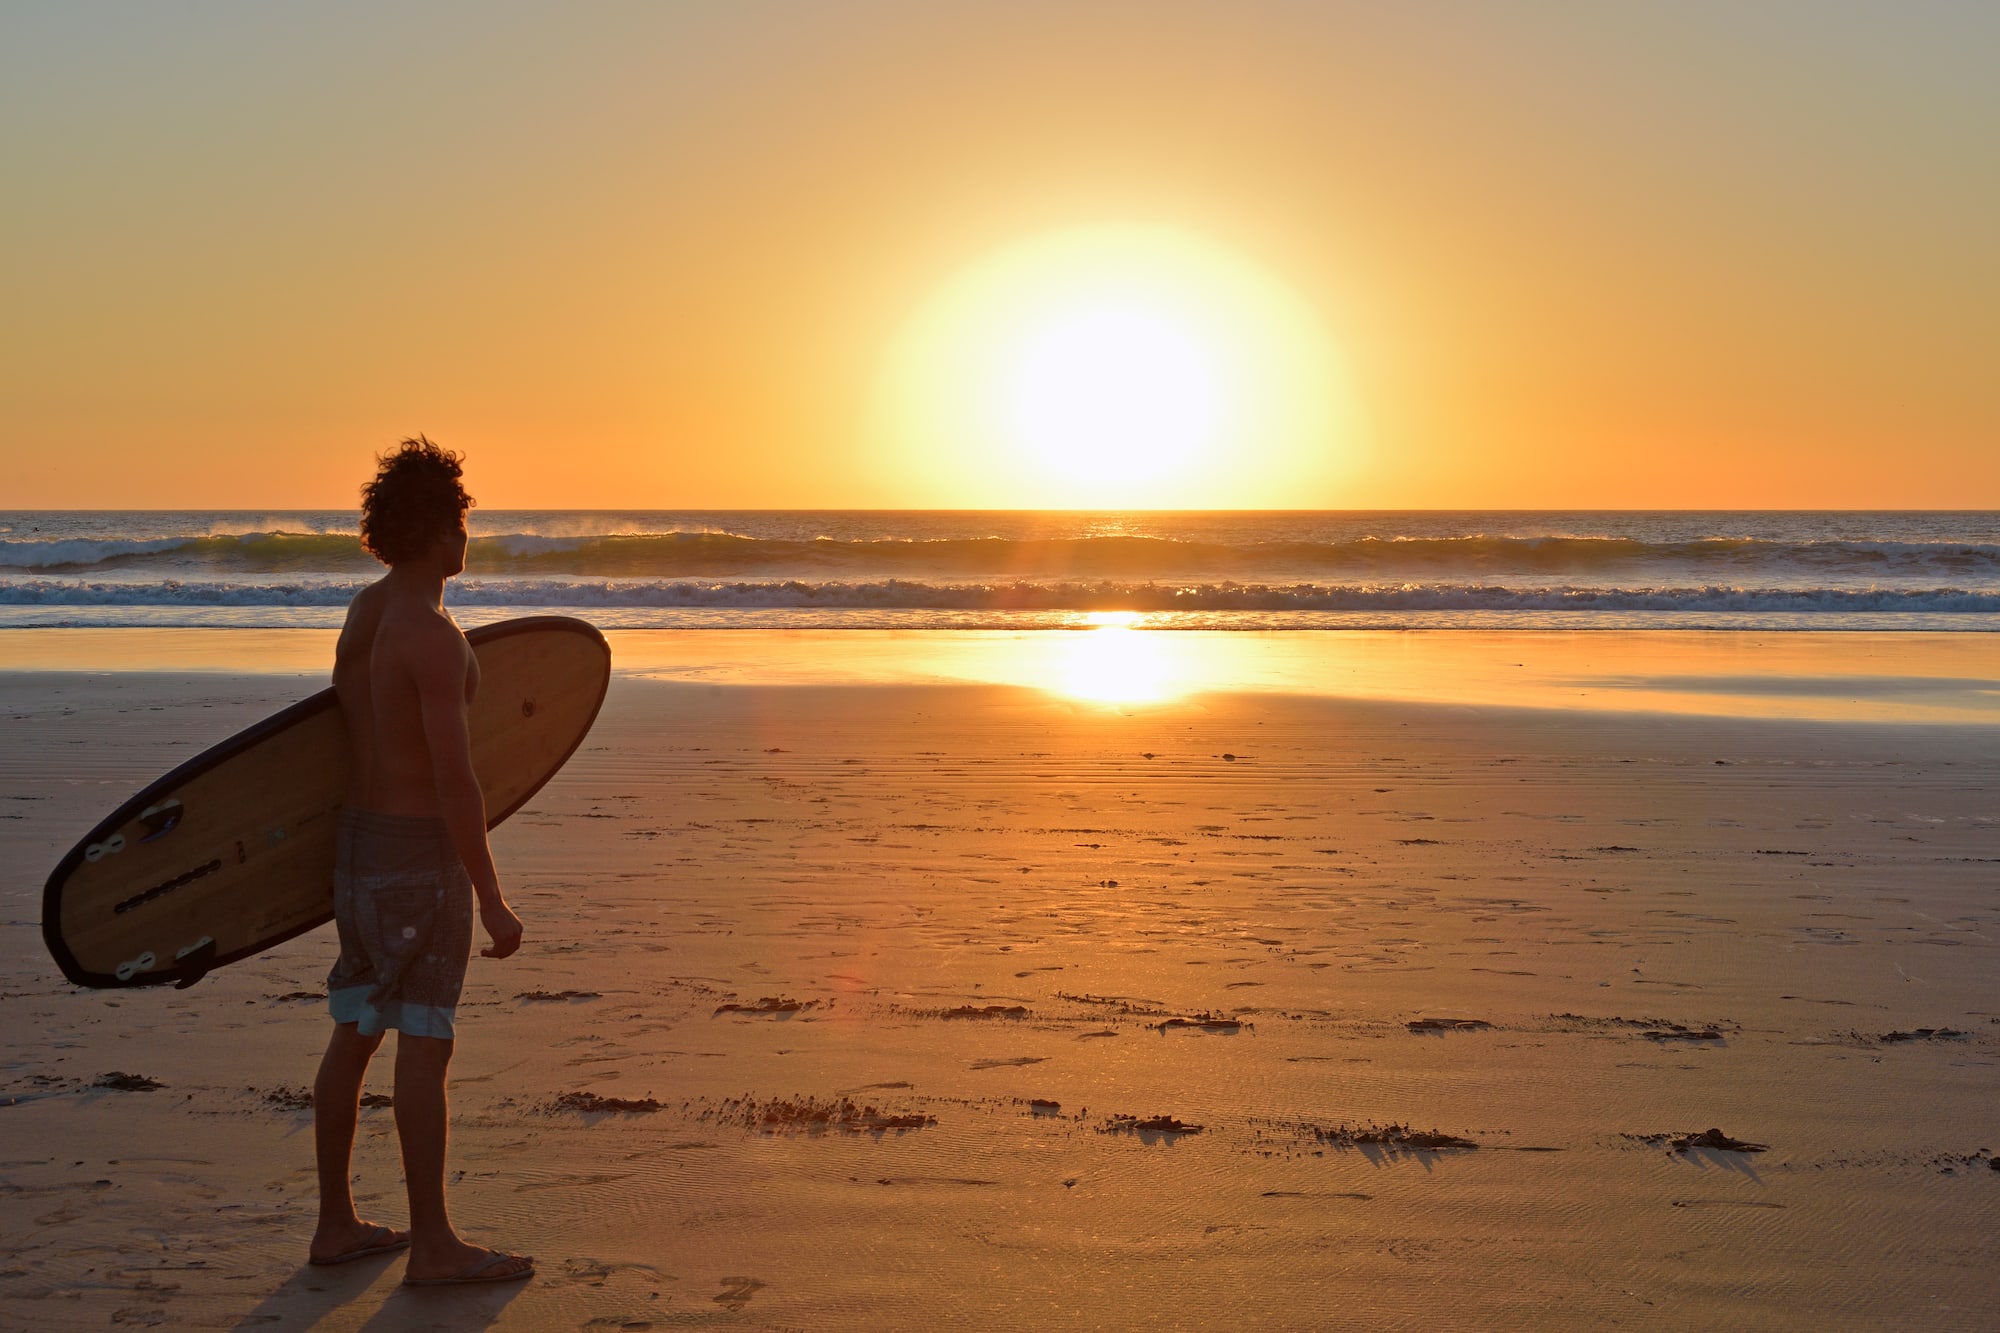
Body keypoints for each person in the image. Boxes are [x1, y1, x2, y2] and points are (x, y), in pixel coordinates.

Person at [306, 438, 533, 1286]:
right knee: (425, 1041)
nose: (468, 533)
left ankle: (335, 1224)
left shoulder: (366, 613)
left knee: (356, 1027)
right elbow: (455, 779)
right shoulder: (431, 635)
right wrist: (491, 895)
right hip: (414, 859)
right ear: (443, 527)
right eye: (464, 518)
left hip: (356, 851)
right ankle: (434, 1245)